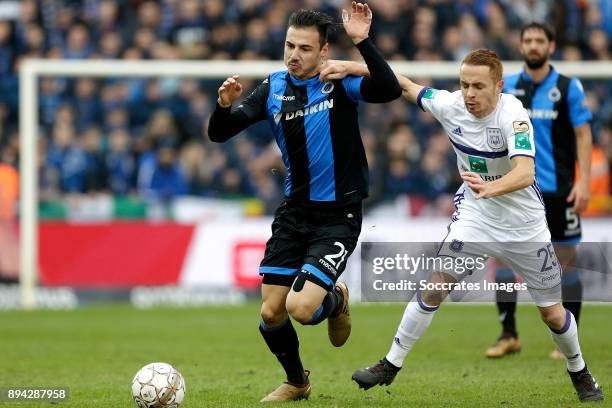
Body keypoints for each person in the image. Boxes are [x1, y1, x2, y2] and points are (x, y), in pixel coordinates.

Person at [320, 49, 604, 402]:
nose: (469, 93)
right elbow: (404, 85)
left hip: (524, 227)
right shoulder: (450, 105)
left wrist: (491, 187)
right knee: (435, 286)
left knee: (551, 313)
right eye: (465, 84)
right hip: (476, 220)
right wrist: (349, 66)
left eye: (478, 86)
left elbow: (526, 172)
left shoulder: (513, 115)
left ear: (498, 87)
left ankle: (579, 370)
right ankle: (390, 364)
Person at [207, 2, 401, 402]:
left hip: (338, 214)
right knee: (270, 313)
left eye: (305, 48)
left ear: (324, 51)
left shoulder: (338, 80)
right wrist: (223, 105)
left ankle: (336, 299)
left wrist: (362, 46)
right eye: (290, 45)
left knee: (301, 308)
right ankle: (297, 382)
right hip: (294, 213)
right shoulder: (273, 87)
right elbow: (219, 134)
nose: (295, 55)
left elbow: (389, 88)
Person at [486, 22, 594, 360]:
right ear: (520, 46)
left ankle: (567, 338)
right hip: (517, 189)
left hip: (559, 188)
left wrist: (584, 181)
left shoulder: (567, 87)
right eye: (528, 40)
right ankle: (508, 334)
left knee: (566, 262)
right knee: (503, 259)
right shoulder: (509, 88)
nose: (533, 46)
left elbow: (583, 135)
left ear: (551, 46)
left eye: (539, 40)